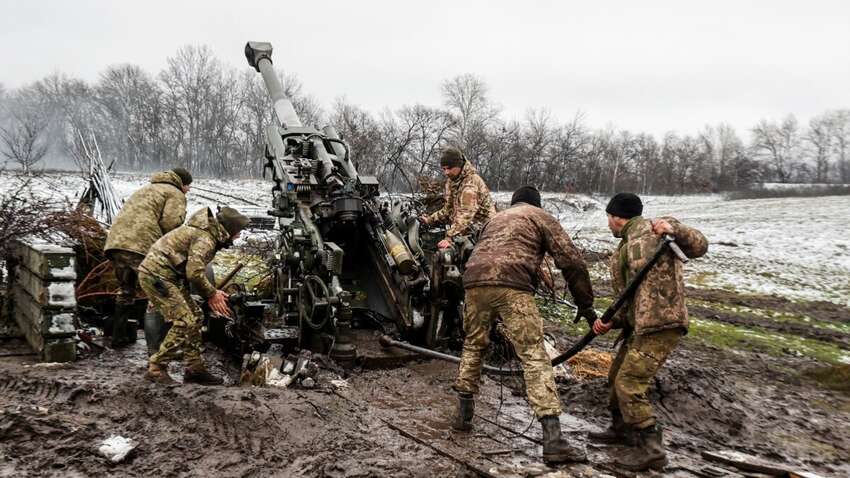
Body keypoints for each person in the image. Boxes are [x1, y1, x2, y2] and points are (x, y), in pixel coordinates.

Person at [453, 186, 597, 464]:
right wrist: (585, 304)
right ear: (537, 203)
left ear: (514, 202)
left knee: (473, 345)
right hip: (513, 286)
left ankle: (462, 417)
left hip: (473, 282)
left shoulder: (495, 219)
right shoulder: (540, 216)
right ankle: (553, 441)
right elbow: (572, 261)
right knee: (533, 355)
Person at [589, 193, 708, 471]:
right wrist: (611, 322)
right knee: (616, 375)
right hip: (639, 325)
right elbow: (628, 298)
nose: (608, 224)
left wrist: (674, 230)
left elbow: (701, 245)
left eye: (608, 218)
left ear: (617, 217)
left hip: (661, 324)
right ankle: (621, 430)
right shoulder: (623, 249)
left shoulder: (660, 230)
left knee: (629, 383)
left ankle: (652, 449)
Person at [139, 207, 250, 386]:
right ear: (229, 229)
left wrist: (213, 292)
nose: (239, 237)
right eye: (238, 232)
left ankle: (194, 368)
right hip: (157, 276)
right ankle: (156, 368)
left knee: (196, 315)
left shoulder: (207, 234)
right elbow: (194, 273)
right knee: (185, 321)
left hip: (169, 276)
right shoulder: (205, 238)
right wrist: (212, 293)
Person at [103, 168, 192, 347]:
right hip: (141, 246)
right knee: (159, 292)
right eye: (188, 186)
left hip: (116, 243)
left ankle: (118, 338)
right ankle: (159, 347)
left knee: (126, 291)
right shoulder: (174, 193)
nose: (189, 190)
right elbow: (170, 224)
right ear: (182, 183)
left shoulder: (145, 189)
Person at [419, 147, 495, 249]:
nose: (446, 172)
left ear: (458, 165)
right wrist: (429, 220)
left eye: (449, 168)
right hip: (466, 228)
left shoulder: (470, 184)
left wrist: (449, 238)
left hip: (484, 230)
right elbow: (448, 209)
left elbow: (465, 215)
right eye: (444, 169)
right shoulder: (453, 181)